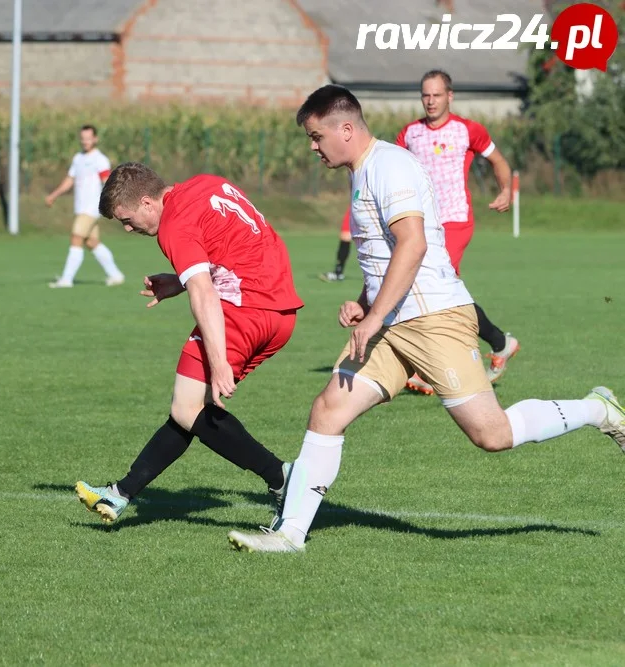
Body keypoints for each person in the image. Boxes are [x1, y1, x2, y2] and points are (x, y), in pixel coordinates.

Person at [227, 85, 625, 554]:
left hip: (434, 316)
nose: (313, 147)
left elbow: (412, 246)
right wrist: (364, 300)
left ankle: (597, 409)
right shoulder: (361, 172)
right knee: (327, 410)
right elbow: (384, 253)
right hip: (391, 323)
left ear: (346, 129)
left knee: (492, 435)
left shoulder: (389, 166)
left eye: (316, 137)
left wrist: (373, 316)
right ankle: (290, 535)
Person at [75, 163, 304, 523]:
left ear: (148, 203)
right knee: (191, 409)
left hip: (242, 309)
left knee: (187, 409)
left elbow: (204, 292)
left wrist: (219, 358)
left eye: (128, 219)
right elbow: (238, 244)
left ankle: (284, 479)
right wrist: (179, 281)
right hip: (281, 311)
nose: (128, 229)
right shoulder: (207, 184)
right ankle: (121, 493)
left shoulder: (173, 226)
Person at [397, 70, 517, 393]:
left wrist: (506, 190)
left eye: (437, 95)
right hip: (422, 223)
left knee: (432, 285)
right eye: (425, 95)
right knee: (440, 290)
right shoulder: (409, 134)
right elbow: (392, 169)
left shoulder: (467, 130)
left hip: (455, 220)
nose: (431, 101)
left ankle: (429, 365)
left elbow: (500, 161)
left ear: (450, 96)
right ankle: (499, 342)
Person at [45, 125, 125, 288]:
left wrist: (113, 202)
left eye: (88, 138)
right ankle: (115, 275)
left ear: (95, 139)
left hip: (91, 209)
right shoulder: (78, 158)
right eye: (83, 138)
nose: (85, 141)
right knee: (91, 242)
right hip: (81, 208)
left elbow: (106, 182)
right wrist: (54, 195)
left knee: (76, 238)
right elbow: (69, 180)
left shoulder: (100, 159)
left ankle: (66, 279)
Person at [319, 207, 352, 282]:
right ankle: (338, 272)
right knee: (345, 234)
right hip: (357, 202)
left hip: (371, 203)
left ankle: (380, 274)